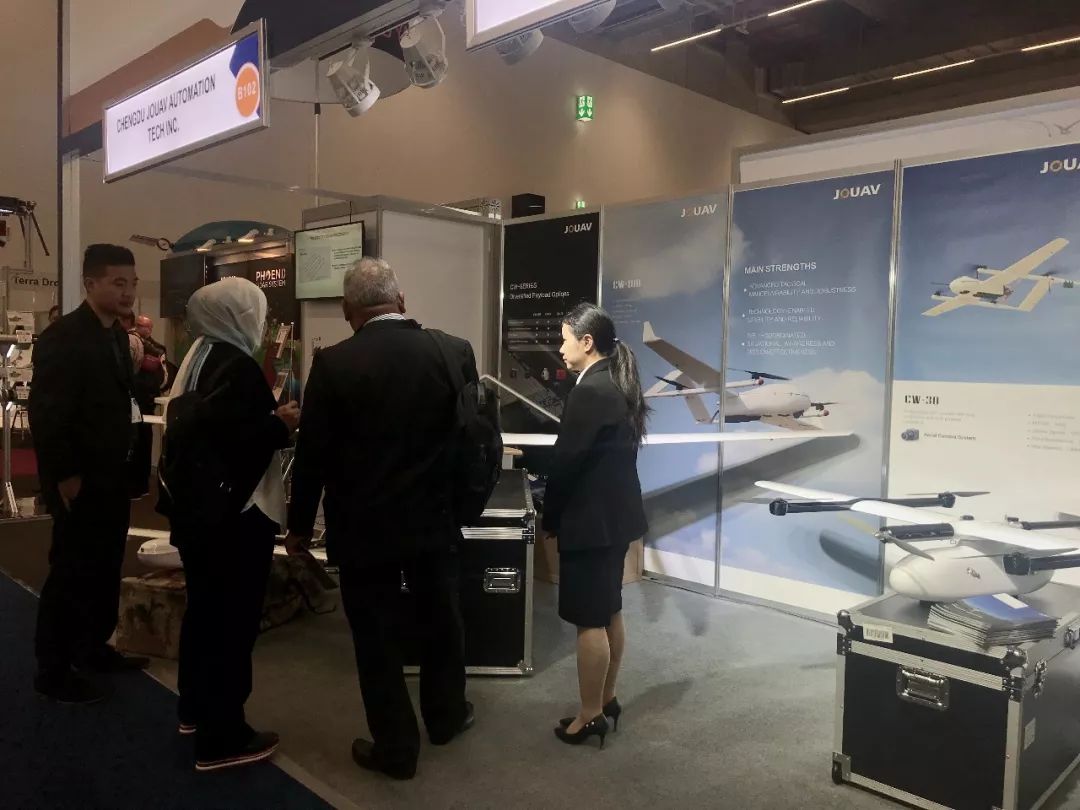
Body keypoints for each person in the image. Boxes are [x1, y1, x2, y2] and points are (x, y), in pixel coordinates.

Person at [286, 257, 476, 781]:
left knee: (376, 636)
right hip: (435, 520)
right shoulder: (454, 351)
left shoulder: (333, 365)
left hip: (363, 527)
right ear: (402, 300)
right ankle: (447, 716)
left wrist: (298, 526)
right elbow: (472, 437)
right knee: (442, 620)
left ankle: (397, 748)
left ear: (347, 309)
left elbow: (312, 456)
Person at [162, 277, 300, 772]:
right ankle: (223, 735)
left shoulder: (196, 356)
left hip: (197, 515)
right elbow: (237, 440)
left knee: (204, 613)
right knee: (233, 624)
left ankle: (195, 709)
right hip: (236, 518)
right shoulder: (237, 366)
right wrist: (281, 423)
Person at [28, 244, 147, 705]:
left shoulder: (115, 334)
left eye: (132, 283)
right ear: (90, 283)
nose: (127, 292)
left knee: (105, 565)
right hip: (79, 478)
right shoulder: (64, 337)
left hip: (112, 474)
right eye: (118, 283)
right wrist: (65, 475)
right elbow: (48, 414)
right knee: (72, 571)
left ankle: (92, 647)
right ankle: (53, 669)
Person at [543, 303, 649, 749]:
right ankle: (606, 700)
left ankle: (589, 717)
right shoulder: (618, 384)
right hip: (616, 519)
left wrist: (550, 516)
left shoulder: (590, 391)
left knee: (589, 620)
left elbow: (566, 464)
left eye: (565, 339)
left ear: (587, 342)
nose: (560, 348)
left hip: (589, 523)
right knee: (609, 611)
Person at [127, 314, 168, 499]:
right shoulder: (154, 347)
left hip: (140, 399)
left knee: (138, 440)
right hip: (145, 398)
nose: (146, 329)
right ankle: (141, 484)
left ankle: (137, 485)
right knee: (142, 440)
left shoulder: (142, 344)